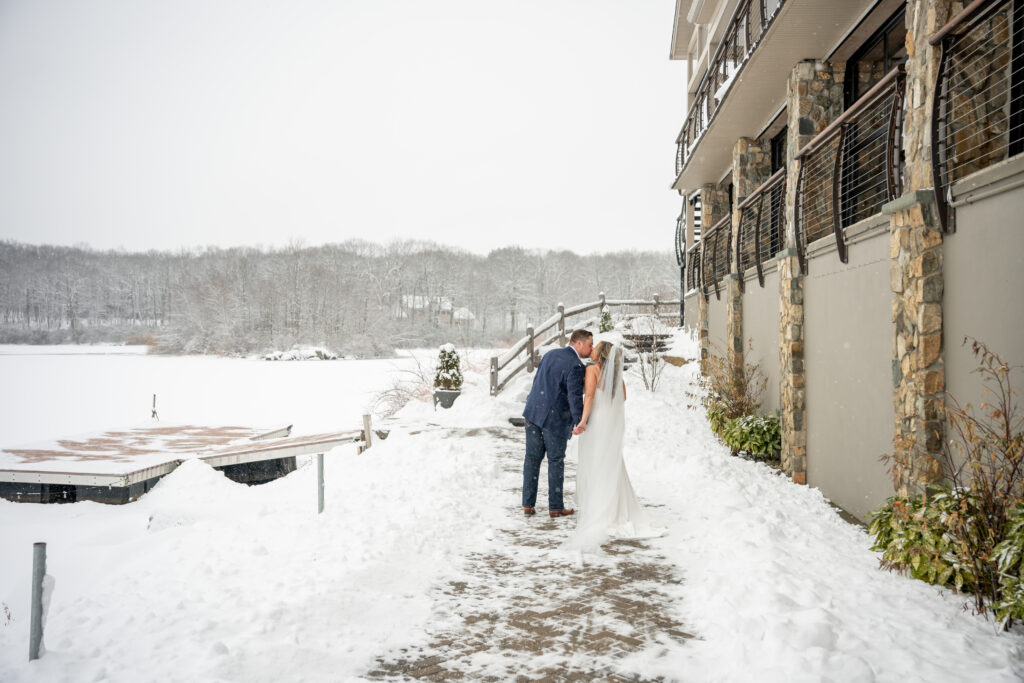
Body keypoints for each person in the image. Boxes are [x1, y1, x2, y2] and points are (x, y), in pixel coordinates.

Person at [564, 340, 665, 552]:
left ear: (600, 354)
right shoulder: (616, 375)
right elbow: (623, 397)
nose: (592, 349)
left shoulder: (592, 369)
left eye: (596, 347)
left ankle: (600, 506)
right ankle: (616, 506)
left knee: (595, 461)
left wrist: (583, 421)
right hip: (608, 421)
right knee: (609, 461)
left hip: (597, 420)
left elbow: (589, 395)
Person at [521, 329, 593, 518]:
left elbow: (538, 381)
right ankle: (555, 507)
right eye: (589, 344)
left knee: (532, 460)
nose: (591, 349)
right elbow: (574, 396)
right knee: (555, 462)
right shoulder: (576, 365)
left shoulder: (550, 354)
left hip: (533, 413)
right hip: (554, 420)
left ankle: (528, 505)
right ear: (579, 343)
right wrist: (579, 421)